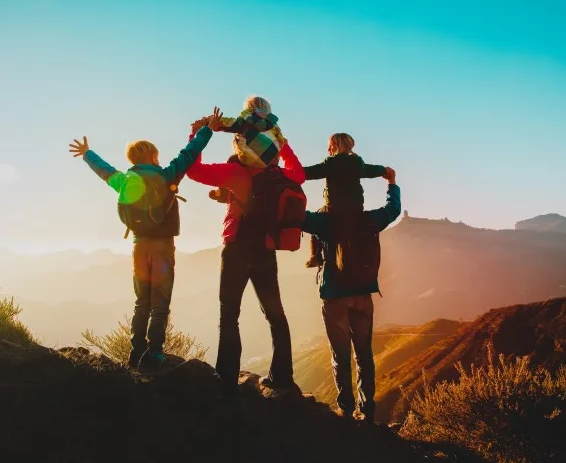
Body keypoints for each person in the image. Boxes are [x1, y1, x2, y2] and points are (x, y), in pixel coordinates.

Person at [67, 112, 220, 371]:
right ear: (151, 156)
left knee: (142, 302)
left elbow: (104, 171)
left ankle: (135, 351)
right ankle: (154, 354)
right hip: (163, 247)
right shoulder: (166, 176)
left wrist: (87, 154)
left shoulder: (125, 181)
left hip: (139, 246)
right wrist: (207, 130)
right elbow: (189, 153)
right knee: (160, 303)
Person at [186, 107, 305, 396]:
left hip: (236, 250)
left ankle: (226, 378)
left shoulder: (234, 172)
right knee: (276, 315)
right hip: (265, 252)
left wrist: (199, 133)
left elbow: (192, 170)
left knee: (229, 314)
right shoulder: (278, 174)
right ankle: (282, 377)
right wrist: (282, 143)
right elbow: (299, 175)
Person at [302, 167, 401, 422]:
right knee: (364, 354)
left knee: (340, 354)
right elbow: (393, 210)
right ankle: (366, 411)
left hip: (334, 296)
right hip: (363, 296)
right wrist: (392, 183)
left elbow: (295, 217)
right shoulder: (371, 219)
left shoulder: (324, 221)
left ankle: (345, 409)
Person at [303, 133, 387, 268]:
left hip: (334, 209)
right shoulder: (357, 162)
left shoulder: (330, 163)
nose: (328, 150)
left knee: (316, 221)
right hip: (356, 209)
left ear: (335, 145)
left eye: (329, 146)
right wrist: (384, 170)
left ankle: (315, 256)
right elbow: (370, 170)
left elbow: (311, 172)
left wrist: (291, 173)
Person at [217, 95, 284, 168]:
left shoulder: (246, 120)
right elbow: (281, 142)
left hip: (249, 160)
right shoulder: (274, 126)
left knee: (232, 160)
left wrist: (211, 121)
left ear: (249, 109)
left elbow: (229, 123)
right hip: (270, 163)